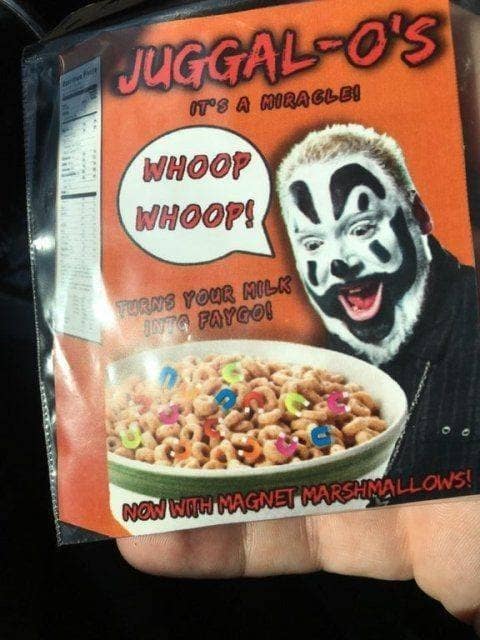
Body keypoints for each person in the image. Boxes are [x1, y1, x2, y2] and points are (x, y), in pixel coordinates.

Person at [116, 4, 480, 636]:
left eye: (361, 226)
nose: (337, 261)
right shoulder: (335, 368)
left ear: (418, 217)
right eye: (311, 243)